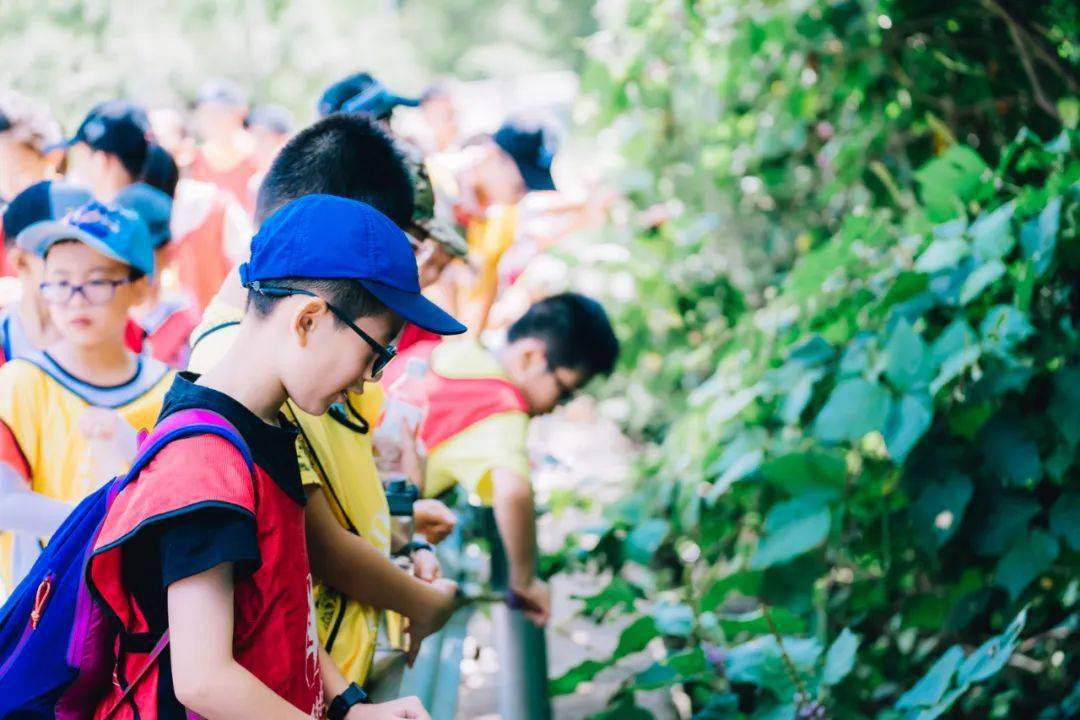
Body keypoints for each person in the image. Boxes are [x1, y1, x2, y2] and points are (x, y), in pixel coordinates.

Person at [86, 195, 458, 718]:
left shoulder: (267, 426)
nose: (365, 382)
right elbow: (204, 679)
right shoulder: (205, 461)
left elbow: (286, 606)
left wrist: (350, 705)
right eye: (372, 355)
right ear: (307, 320)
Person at [187, 113, 461, 687]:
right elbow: (310, 539)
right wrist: (421, 600)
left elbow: (345, 491)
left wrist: (400, 535)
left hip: (333, 671)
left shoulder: (328, 345)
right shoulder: (234, 373)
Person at [379, 293, 619, 627]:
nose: (557, 406)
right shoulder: (502, 406)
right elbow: (514, 492)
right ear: (530, 356)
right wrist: (526, 581)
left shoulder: (457, 351)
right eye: (563, 390)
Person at [0, 201, 173, 594]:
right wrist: (107, 522)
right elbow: (5, 502)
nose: (75, 298)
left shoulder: (170, 392)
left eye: (96, 281)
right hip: (42, 622)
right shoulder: (21, 383)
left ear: (139, 286)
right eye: (60, 281)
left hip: (138, 622)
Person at [448, 120, 558, 336]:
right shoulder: (435, 181)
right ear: (493, 155)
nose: (524, 192)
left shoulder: (502, 222)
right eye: (521, 181)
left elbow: (483, 295)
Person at [0, 181, 92, 366]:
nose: (84, 262)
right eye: (62, 250)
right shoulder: (5, 341)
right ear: (20, 259)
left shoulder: (125, 336)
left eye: (92, 248)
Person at [115, 180, 200, 367]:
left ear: (169, 252)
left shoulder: (186, 324)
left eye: (142, 250)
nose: (129, 262)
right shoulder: (102, 315)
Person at [59, 99, 151, 204]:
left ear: (101, 161)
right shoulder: (164, 210)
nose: (77, 171)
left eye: (81, 159)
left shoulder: (94, 218)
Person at [188, 78, 258, 214]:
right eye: (203, 112)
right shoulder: (194, 159)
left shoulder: (259, 159)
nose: (207, 119)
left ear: (240, 112)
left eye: (215, 112)